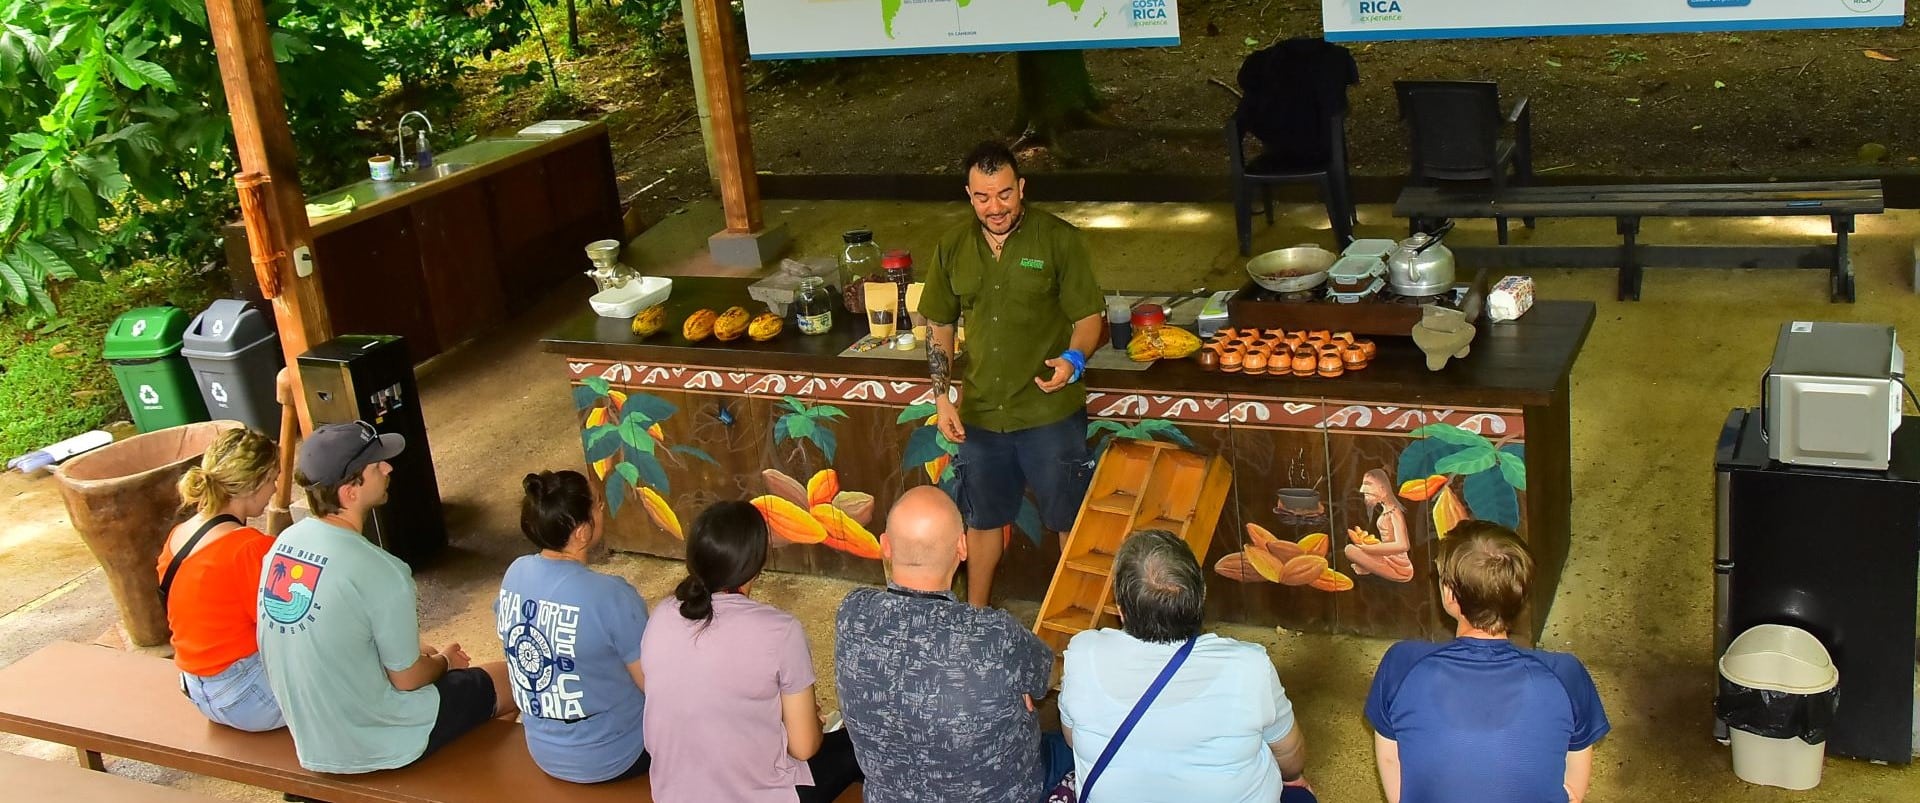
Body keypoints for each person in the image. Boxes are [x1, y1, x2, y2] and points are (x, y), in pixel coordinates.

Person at [257, 421, 516, 773]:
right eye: (377, 465)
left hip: (312, 737)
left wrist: (412, 650)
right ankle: (473, 781)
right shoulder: (383, 570)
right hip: (376, 739)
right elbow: (407, 680)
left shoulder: (282, 546)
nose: (388, 467)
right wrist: (443, 660)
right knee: (511, 680)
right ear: (351, 491)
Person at [920, 141, 1107, 607]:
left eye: (1004, 194)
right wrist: (942, 398)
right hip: (982, 413)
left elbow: (1090, 319)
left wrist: (1074, 360)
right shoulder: (953, 247)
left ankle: (1078, 632)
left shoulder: (1059, 240)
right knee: (982, 521)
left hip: (1049, 410)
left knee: (1069, 522)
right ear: (969, 194)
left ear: (1021, 188)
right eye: (983, 197)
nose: (995, 207)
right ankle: (977, 619)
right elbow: (939, 325)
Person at [835, 486, 1070, 803]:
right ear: (963, 547)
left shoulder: (852, 613)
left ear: (885, 546)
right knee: (1072, 743)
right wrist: (1017, 679)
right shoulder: (995, 634)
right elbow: (1050, 676)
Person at [1059, 529, 1313, 803]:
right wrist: (1292, 779)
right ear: (1201, 597)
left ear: (1120, 609)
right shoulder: (1249, 666)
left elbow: (1073, 740)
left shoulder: (1082, 654)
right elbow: (1290, 755)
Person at [1365, 521, 1609, 803]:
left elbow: (1391, 761)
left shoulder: (1402, 664)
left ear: (1449, 595)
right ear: (1520, 595)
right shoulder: (1566, 675)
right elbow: (1574, 786)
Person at [640, 501, 862, 802]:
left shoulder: (662, 614)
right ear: (756, 562)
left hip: (672, 794)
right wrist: (797, 719)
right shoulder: (781, 631)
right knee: (855, 740)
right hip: (757, 794)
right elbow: (805, 747)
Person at [495, 470, 650, 783]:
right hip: (619, 755)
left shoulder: (515, 574)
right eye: (598, 506)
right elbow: (654, 686)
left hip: (544, 751)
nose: (603, 510)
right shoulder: (611, 595)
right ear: (581, 532)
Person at [157, 427, 284, 732]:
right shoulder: (250, 547)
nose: (276, 489)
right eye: (273, 479)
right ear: (255, 484)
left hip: (198, 689)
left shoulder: (180, 534)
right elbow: (285, 628)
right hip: (248, 698)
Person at [1346, 468, 1414, 582]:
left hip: (1400, 567)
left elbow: (1403, 545)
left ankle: (1370, 567)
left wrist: (1370, 549)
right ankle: (1369, 566)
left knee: (1350, 550)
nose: (1366, 496)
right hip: (1386, 559)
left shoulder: (1395, 511)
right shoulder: (1386, 509)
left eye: (1368, 493)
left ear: (1382, 489)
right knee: (1350, 549)